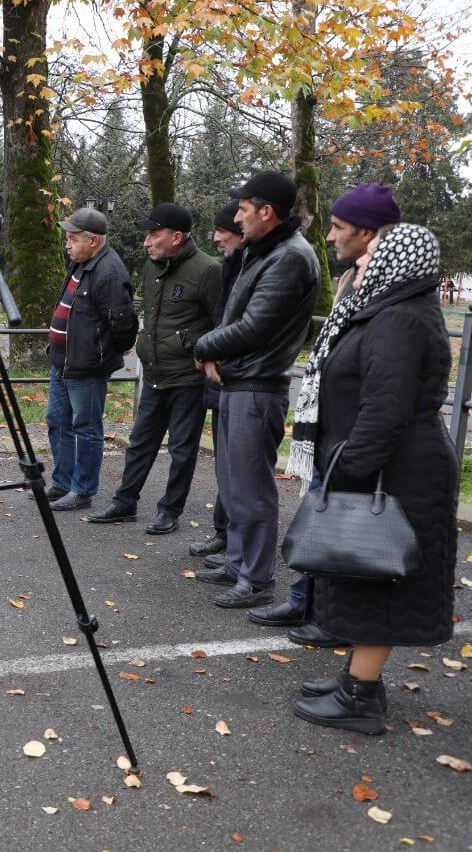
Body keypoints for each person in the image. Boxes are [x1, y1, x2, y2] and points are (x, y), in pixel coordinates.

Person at [287, 223, 455, 735]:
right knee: (367, 578)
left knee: (378, 577)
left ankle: (360, 697)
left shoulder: (399, 318)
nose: (358, 259)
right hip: (393, 465)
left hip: (396, 471)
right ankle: (358, 678)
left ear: (396, 262)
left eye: (372, 253)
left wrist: (349, 472)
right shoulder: (391, 310)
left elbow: (384, 409)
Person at [247, 183, 401, 644]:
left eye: (337, 228)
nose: (330, 237)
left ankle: (331, 614)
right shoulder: (354, 278)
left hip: (354, 432)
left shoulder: (390, 289)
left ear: (368, 232)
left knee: (343, 525)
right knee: (319, 515)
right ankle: (304, 600)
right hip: (329, 427)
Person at [192, 171, 319, 609]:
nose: (238, 218)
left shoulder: (288, 257)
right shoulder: (265, 251)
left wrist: (204, 346)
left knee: (251, 488)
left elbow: (255, 327)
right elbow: (236, 317)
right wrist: (214, 352)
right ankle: (238, 562)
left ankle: (257, 578)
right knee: (233, 484)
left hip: (256, 385)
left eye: (244, 210)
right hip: (239, 382)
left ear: (266, 212)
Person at [85, 203, 220, 533]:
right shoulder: (152, 265)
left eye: (153, 234)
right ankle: (124, 501)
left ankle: (169, 510)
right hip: (155, 374)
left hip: (187, 378)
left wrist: (197, 349)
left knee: (181, 449)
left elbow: (221, 324)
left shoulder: (208, 271)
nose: (146, 242)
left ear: (176, 237)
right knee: (140, 442)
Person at [45, 208, 136, 511]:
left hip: (87, 365)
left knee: (85, 426)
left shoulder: (108, 271)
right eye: (67, 239)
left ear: (93, 240)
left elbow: (123, 322)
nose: (67, 244)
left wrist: (107, 351)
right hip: (63, 362)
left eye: (72, 239)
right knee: (57, 421)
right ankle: (62, 482)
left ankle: (82, 489)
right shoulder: (80, 264)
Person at [187, 202, 244, 558]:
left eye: (222, 230)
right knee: (225, 464)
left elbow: (236, 325)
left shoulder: (248, 269)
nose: (216, 237)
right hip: (221, 379)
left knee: (239, 469)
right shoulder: (231, 268)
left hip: (239, 379)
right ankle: (225, 534)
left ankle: (238, 548)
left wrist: (205, 347)